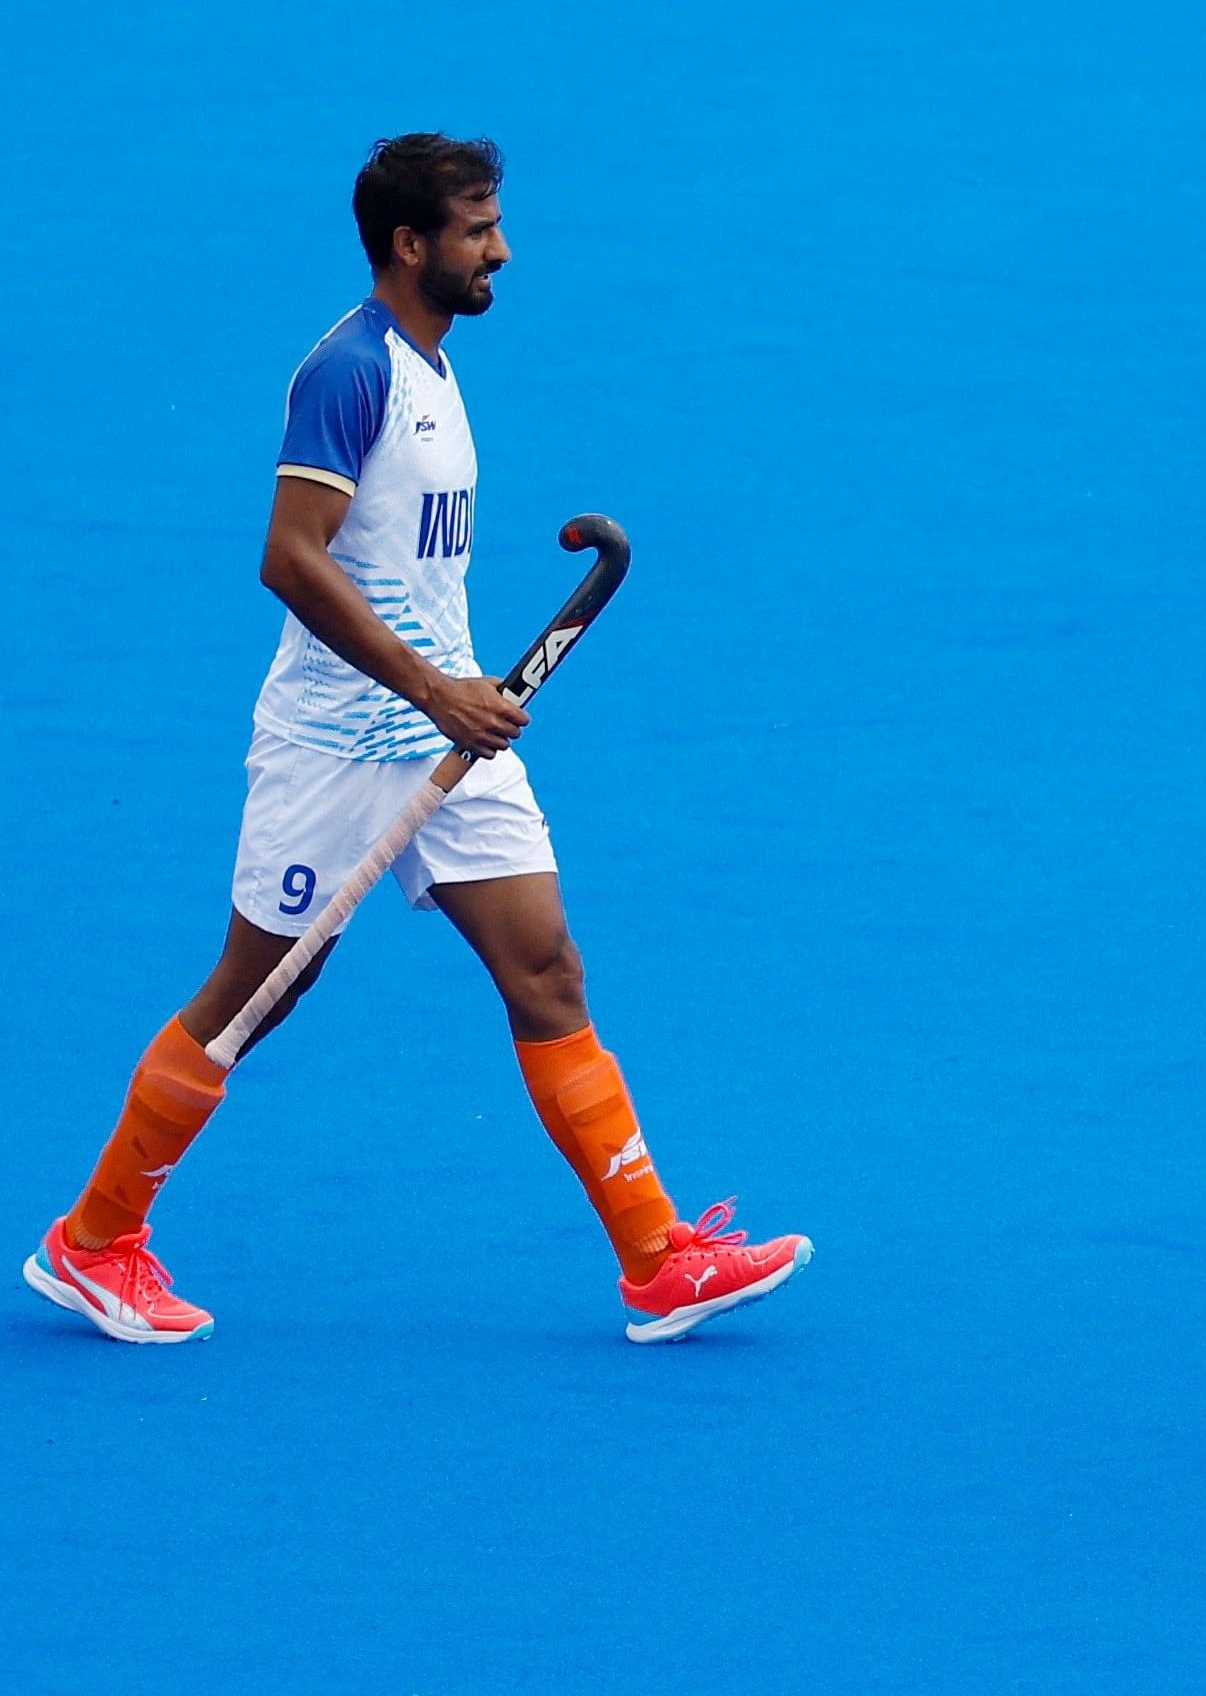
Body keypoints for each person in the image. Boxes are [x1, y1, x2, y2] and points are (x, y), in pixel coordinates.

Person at [23, 135, 810, 1348]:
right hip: (336, 747)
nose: (501, 247)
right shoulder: (349, 372)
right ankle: (92, 1242)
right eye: (479, 226)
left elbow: (402, 571)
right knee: (257, 994)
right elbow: (289, 558)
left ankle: (657, 1258)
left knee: (547, 968)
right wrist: (436, 692)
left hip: (452, 737)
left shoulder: (436, 370)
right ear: (410, 243)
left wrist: (454, 695)